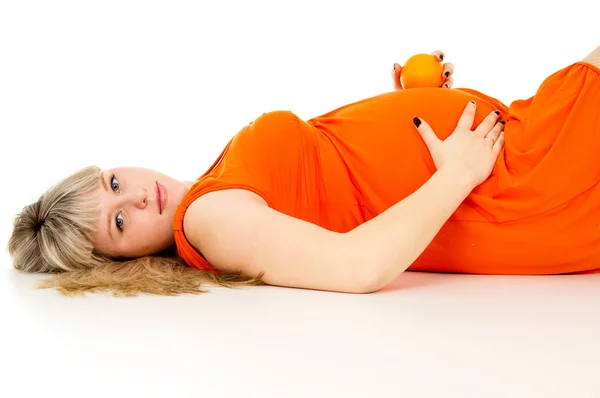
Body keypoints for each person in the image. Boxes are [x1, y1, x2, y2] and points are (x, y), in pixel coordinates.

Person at [8, 47, 600, 297]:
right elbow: (357, 266)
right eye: (116, 222)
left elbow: (333, 185)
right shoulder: (208, 220)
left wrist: (407, 105)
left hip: (512, 158)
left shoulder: (215, 188)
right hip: (515, 178)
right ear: (122, 259)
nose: (137, 198)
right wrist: (455, 173)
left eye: (114, 183)